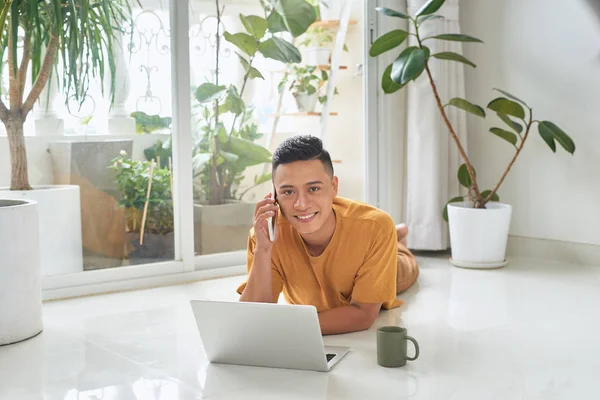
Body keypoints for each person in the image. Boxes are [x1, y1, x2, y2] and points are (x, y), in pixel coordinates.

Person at [236, 135, 419, 335]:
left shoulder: (375, 228)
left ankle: (397, 238)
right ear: (274, 196)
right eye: (288, 192)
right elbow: (253, 317)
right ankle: (397, 233)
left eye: (313, 188)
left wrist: (285, 326)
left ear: (333, 187)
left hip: (389, 264)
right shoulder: (264, 236)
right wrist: (263, 249)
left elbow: (363, 315)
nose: (301, 204)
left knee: (401, 260)